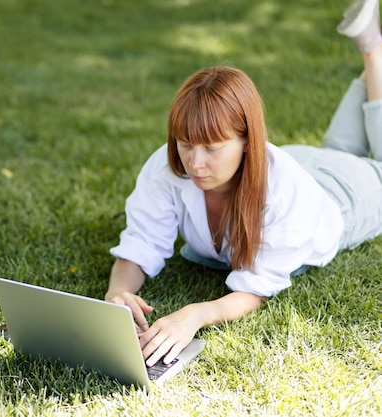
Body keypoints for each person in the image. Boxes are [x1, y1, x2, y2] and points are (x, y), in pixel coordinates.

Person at [105, 0, 382, 368]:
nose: (195, 163)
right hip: (303, 161)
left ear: (248, 142)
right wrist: (117, 292)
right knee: (336, 148)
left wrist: (195, 314)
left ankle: (373, 51)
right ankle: (372, 49)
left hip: (344, 194)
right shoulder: (168, 167)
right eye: (186, 145)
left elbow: (255, 288)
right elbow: (140, 244)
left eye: (212, 149)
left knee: (374, 162)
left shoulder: (286, 193)